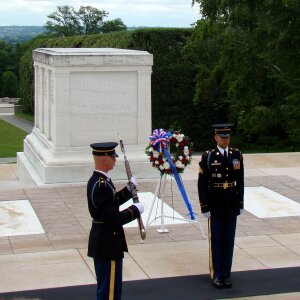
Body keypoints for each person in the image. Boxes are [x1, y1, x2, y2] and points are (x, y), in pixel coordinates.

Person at [87, 142, 144, 300]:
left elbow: (110, 204)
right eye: (113, 157)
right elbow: (112, 219)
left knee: (110, 288)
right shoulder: (102, 185)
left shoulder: (100, 181)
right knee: (110, 291)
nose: (115, 160)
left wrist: (127, 190)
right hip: (107, 243)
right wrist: (135, 211)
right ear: (105, 159)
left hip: (105, 241)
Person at [197, 124, 244, 289]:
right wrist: (204, 206)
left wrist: (241, 202)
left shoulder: (236, 155)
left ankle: (226, 274)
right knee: (216, 241)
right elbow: (202, 184)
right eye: (222, 137)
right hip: (216, 203)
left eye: (227, 137)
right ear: (215, 137)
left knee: (229, 241)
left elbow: (240, 180)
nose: (225, 140)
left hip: (231, 203)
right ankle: (216, 274)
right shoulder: (209, 156)